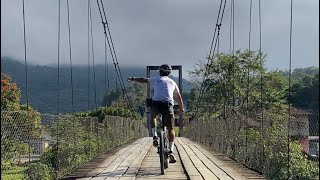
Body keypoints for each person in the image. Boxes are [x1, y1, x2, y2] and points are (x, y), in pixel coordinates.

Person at [127, 64, 184, 163]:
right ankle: (170, 151)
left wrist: (133, 78)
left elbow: (143, 80)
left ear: (159, 72)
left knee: (152, 116)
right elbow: (178, 96)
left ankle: (154, 135)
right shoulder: (172, 82)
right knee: (170, 128)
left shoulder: (156, 79)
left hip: (156, 104)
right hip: (168, 105)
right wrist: (181, 108)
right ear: (169, 73)